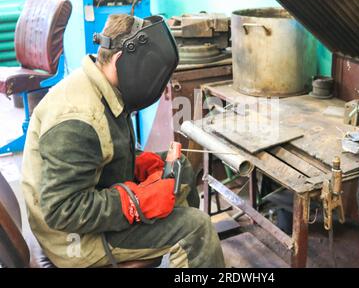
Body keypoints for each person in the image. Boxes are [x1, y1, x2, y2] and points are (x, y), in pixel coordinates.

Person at [21, 14, 225, 268]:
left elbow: (97, 151)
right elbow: (63, 210)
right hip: (72, 241)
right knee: (197, 229)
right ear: (121, 60)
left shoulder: (102, 86)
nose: (158, 86)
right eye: (151, 72)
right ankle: (188, 245)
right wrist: (135, 202)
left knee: (179, 169)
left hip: (85, 214)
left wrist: (136, 161)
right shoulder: (78, 119)